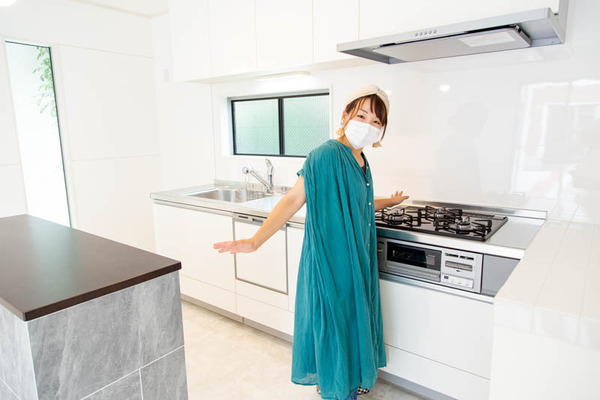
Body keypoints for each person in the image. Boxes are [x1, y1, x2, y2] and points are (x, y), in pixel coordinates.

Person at [213, 85, 409, 400]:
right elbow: (294, 199)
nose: (368, 125)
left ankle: (349, 381)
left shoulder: (360, 159)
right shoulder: (326, 154)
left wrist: (391, 201)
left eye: (376, 121)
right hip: (332, 261)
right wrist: (255, 241)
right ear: (345, 115)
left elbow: (360, 203)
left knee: (351, 321)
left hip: (356, 260)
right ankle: (337, 389)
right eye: (361, 116)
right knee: (335, 324)